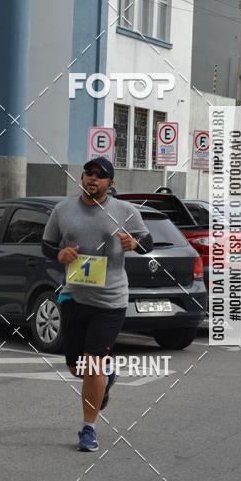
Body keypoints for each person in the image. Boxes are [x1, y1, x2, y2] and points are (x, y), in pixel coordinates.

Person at [41, 156, 154, 451]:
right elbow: (47, 244)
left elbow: (146, 242)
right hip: (74, 297)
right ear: (82, 178)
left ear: (110, 183)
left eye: (100, 176)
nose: (93, 178)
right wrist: (59, 254)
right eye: (89, 173)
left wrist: (135, 244)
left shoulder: (124, 211)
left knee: (92, 365)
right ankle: (108, 374)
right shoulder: (63, 210)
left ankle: (88, 428)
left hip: (110, 301)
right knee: (77, 368)